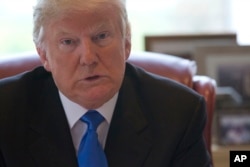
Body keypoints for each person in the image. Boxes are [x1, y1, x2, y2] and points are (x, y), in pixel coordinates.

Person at [0, 0, 211, 166]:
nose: (88, 58)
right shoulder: (6, 112)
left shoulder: (178, 112)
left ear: (126, 42)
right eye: (68, 42)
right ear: (43, 55)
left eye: (101, 36)